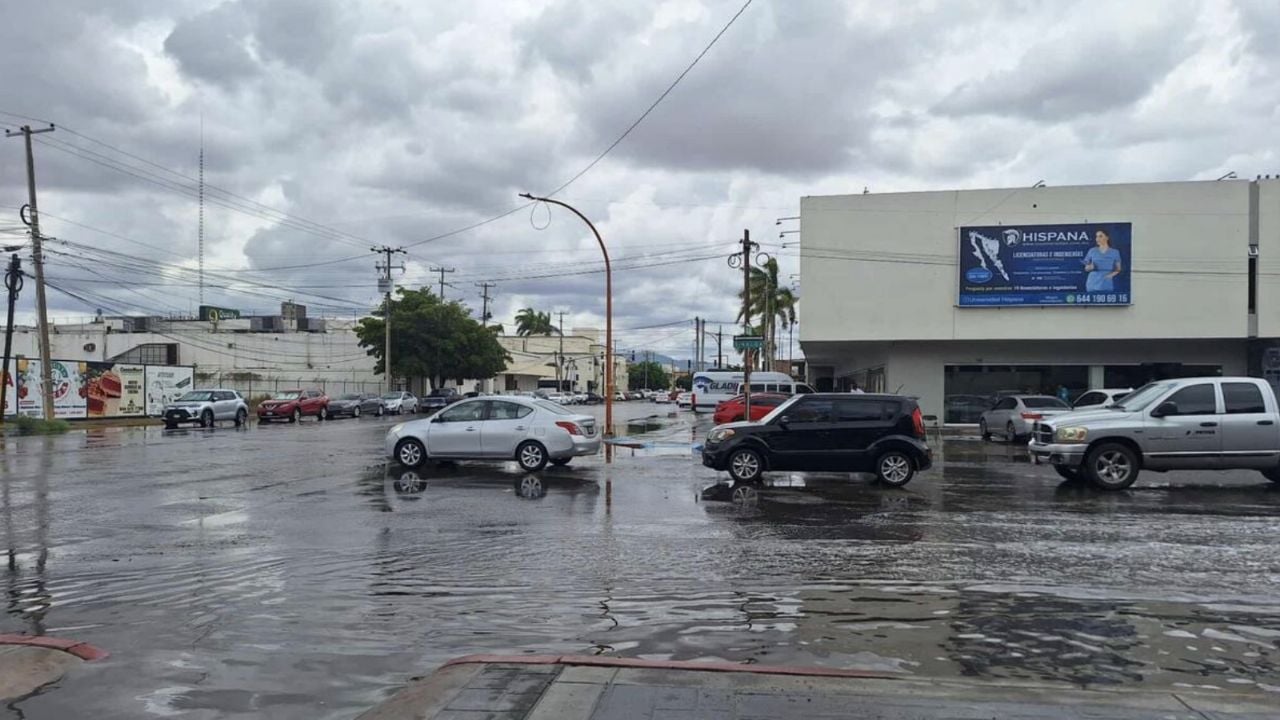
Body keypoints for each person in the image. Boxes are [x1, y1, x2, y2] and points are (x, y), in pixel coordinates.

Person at [1082, 228, 1123, 292]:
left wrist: (1110, 276)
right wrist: (1090, 267)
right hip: (1092, 283)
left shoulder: (1115, 252)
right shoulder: (1092, 250)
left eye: (1100, 236)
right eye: (1097, 236)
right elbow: (1086, 268)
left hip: (1106, 283)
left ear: (1107, 238)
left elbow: (1118, 269)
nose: (1097, 239)